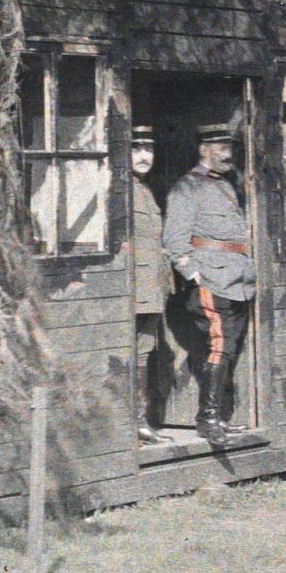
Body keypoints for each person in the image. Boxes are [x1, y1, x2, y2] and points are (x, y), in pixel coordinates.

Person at [162, 121, 255, 448]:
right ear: (204, 150)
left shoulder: (227, 185)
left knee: (229, 349)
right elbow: (175, 240)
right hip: (211, 279)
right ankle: (208, 419)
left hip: (239, 280)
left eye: (230, 149)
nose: (228, 155)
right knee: (218, 346)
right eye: (221, 149)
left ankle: (222, 417)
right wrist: (194, 273)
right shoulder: (187, 187)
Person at [125, 123, 167, 446]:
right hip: (133, 286)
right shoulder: (121, 190)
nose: (143, 156)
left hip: (151, 286)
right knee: (133, 353)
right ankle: (133, 422)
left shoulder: (145, 189)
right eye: (136, 149)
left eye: (148, 149)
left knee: (144, 351)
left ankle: (141, 420)